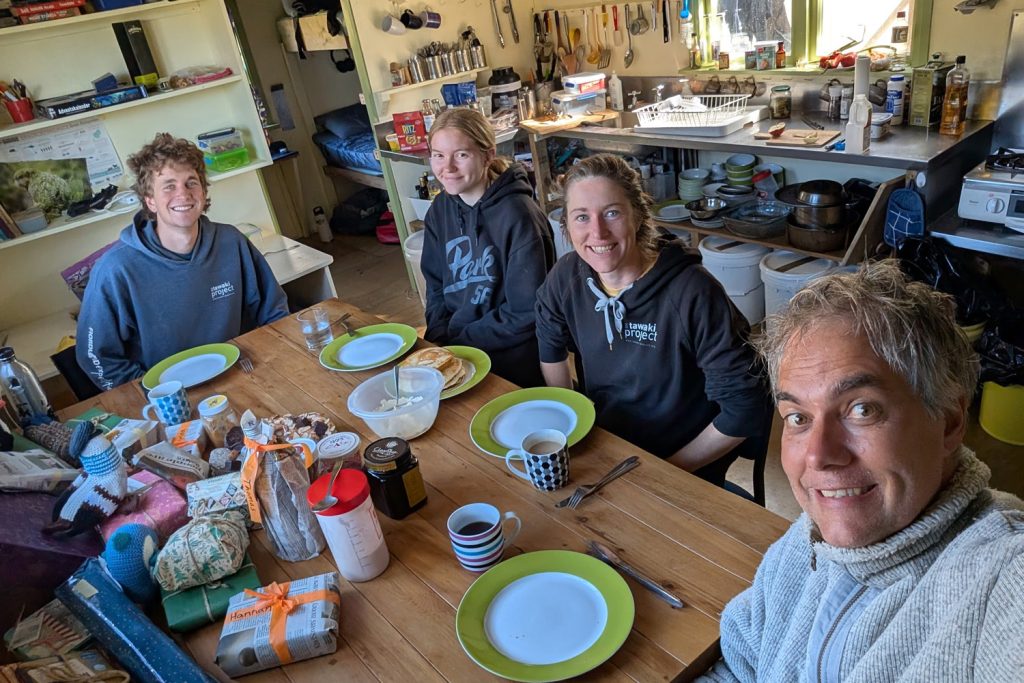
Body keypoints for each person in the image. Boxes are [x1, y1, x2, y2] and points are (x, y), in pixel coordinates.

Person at [699, 261, 1024, 681]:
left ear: (948, 420)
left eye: (861, 409)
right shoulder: (802, 542)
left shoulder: (1000, 575)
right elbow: (738, 668)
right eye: (797, 417)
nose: (818, 456)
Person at [535, 154, 771, 486]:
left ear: (639, 215)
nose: (598, 232)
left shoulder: (693, 293)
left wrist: (663, 473)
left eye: (612, 213)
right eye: (581, 217)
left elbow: (745, 409)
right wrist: (572, 430)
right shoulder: (566, 278)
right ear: (566, 226)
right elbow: (549, 342)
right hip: (607, 449)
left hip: (681, 464)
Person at [77, 133, 288, 391]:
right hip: (166, 395)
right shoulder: (114, 270)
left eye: (191, 183)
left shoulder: (231, 242)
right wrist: (151, 394)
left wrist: (268, 363)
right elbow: (96, 357)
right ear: (149, 200)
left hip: (238, 376)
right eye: (169, 186)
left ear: (203, 191)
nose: (183, 194)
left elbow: (275, 311)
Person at [420, 108, 554, 388]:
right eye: (438, 155)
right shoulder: (439, 211)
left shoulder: (520, 216)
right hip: (457, 354)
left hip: (511, 363)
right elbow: (435, 287)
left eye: (462, 155)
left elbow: (527, 312)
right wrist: (439, 339)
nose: (448, 168)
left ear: (488, 154)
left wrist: (460, 343)